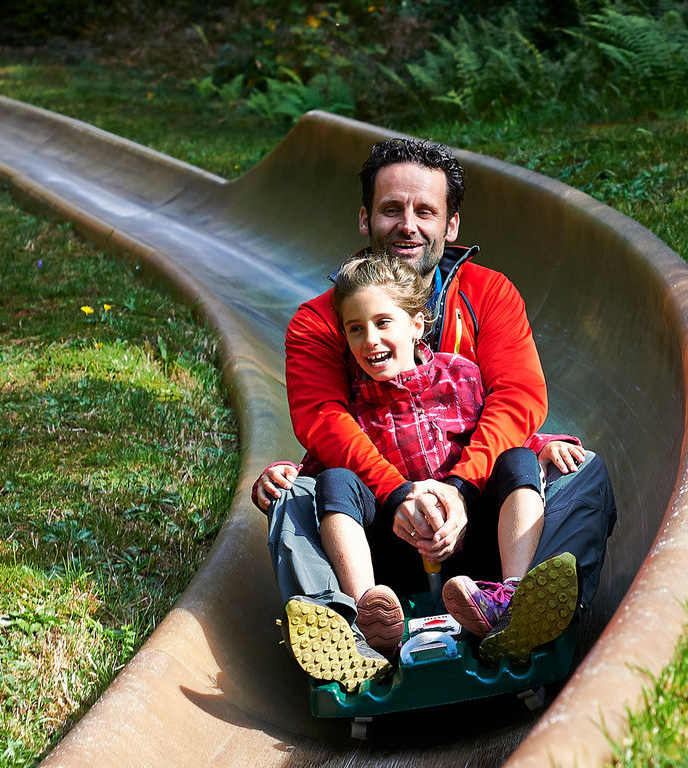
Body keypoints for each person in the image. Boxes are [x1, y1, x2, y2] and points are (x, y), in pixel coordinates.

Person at [257, 137, 617, 690]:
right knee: (297, 498)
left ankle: (524, 612)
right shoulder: (319, 321)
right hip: (376, 538)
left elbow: (517, 398)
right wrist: (398, 494)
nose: (408, 225)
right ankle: (348, 632)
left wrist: (460, 489)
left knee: (580, 469)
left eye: (425, 211)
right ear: (365, 219)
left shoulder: (488, 294)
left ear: (450, 225)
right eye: (391, 210)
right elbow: (323, 419)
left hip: (482, 526)